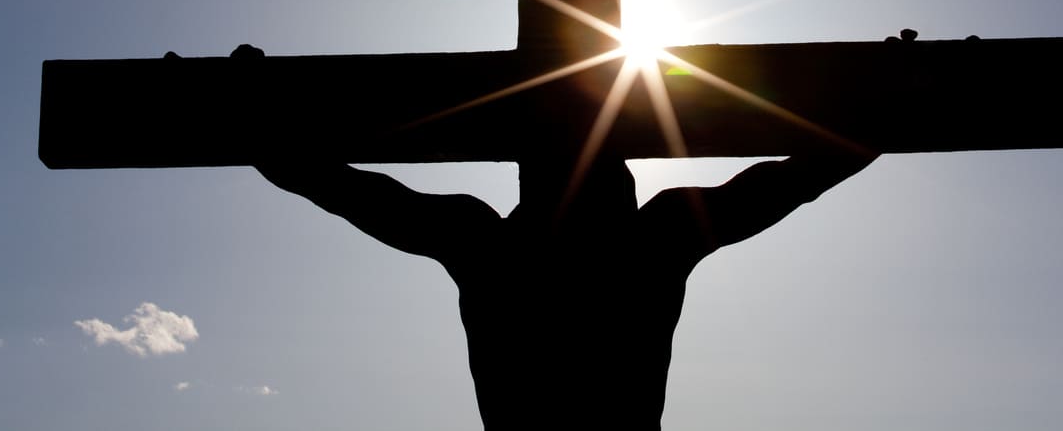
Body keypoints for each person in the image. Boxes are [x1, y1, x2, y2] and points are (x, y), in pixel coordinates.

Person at [257, 123, 876, 430]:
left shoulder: (485, 241)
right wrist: (883, 114)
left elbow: (346, 191)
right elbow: (788, 184)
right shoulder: (657, 236)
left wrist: (255, 122)